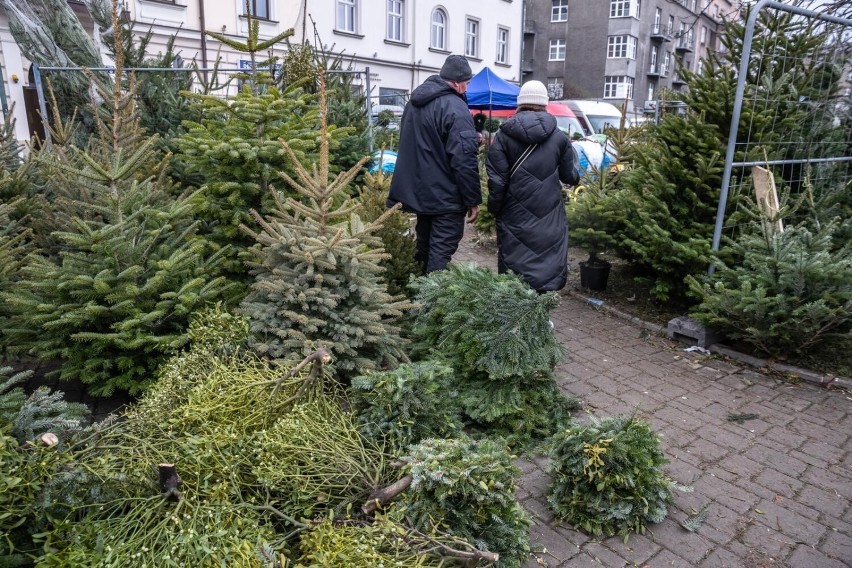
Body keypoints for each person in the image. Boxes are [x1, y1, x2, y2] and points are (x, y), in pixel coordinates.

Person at [388, 55, 482, 274]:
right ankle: (431, 301)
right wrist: (473, 200)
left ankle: (417, 294)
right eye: (467, 83)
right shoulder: (455, 107)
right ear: (458, 82)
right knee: (440, 253)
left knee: (424, 247)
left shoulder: (414, 104)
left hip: (420, 195)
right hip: (445, 199)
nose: (467, 88)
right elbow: (464, 159)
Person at [485, 80, 580, 293]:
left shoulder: (502, 137)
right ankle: (542, 316)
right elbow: (570, 176)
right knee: (546, 265)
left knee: (515, 267)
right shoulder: (559, 138)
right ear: (544, 104)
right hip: (549, 214)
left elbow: (497, 181)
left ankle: (517, 317)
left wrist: (494, 208)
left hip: (514, 214)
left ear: (520, 104)